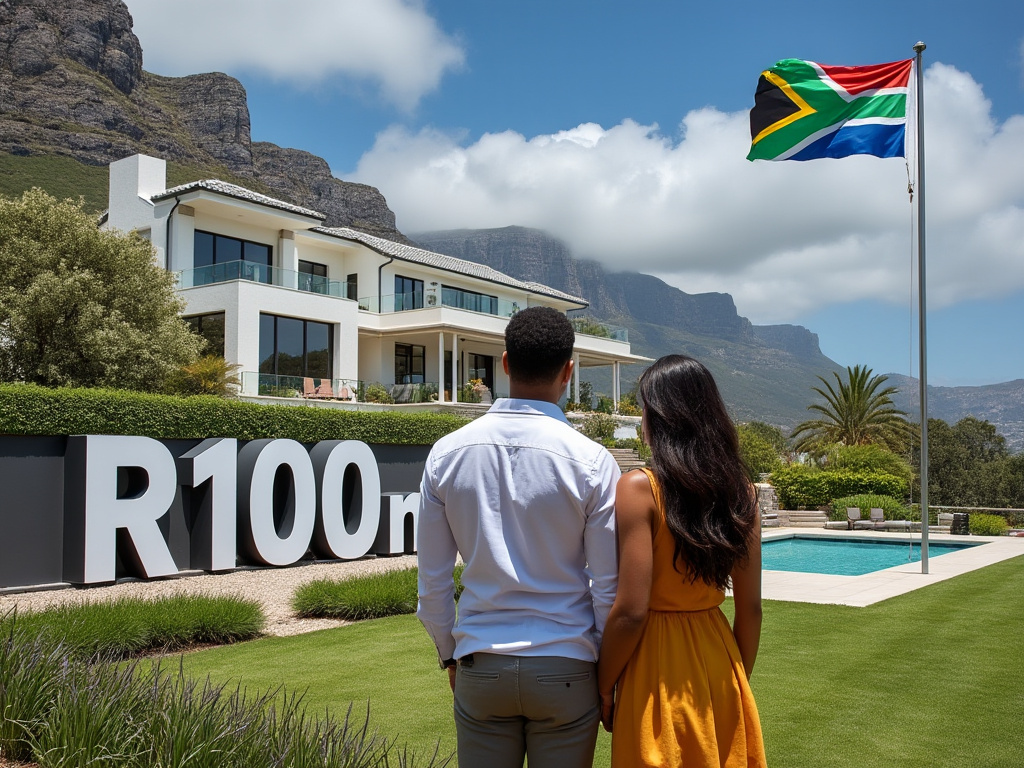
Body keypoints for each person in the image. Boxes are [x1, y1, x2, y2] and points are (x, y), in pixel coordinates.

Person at [416, 306, 620, 768]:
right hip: (567, 666)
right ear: (569, 371)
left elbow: (432, 584)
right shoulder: (592, 461)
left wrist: (451, 653)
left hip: (481, 662)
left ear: (505, 363)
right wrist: (606, 674)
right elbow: (608, 587)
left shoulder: (446, 454)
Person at [597, 354, 767, 768]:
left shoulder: (640, 488)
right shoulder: (741, 494)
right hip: (718, 657)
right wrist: (734, 679)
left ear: (660, 418)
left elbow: (631, 612)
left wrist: (603, 686)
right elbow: (751, 611)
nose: (641, 422)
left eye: (644, 410)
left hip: (655, 662)